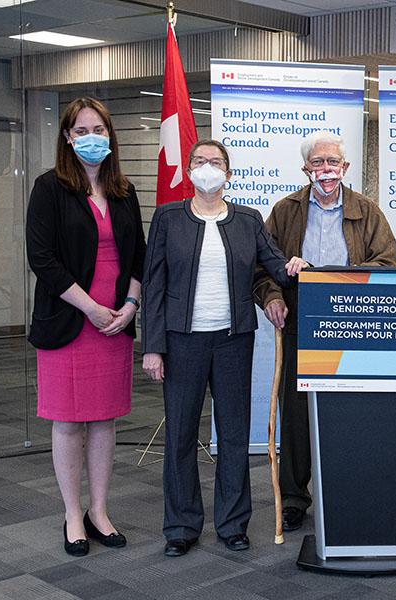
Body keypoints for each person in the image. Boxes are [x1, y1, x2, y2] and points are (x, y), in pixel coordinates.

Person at [141, 140, 307, 557]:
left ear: (229, 174)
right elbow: (154, 284)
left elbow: (274, 266)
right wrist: (152, 347)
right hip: (181, 340)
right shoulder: (168, 217)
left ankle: (233, 524)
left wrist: (294, 266)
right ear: (189, 170)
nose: (207, 168)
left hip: (233, 340)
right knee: (180, 434)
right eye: (200, 161)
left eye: (216, 162)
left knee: (233, 434)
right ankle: (181, 526)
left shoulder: (247, 219)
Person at [252, 130, 396, 532]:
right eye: (318, 162)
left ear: (345, 167)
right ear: (306, 168)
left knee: (349, 413)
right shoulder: (285, 211)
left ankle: (344, 491)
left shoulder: (367, 211)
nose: (326, 169)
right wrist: (272, 297)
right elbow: (262, 266)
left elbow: (387, 264)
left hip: (352, 326)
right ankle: (294, 498)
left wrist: (340, 281)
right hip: (301, 320)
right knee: (297, 415)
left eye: (333, 162)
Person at [26, 97, 146, 557]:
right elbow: (42, 259)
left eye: (99, 130)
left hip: (114, 322)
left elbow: (139, 255)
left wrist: (130, 305)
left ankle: (99, 510)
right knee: (68, 421)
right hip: (69, 319)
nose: (91, 138)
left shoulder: (124, 190)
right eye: (81, 131)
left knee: (103, 419)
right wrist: (90, 308)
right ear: (67, 137)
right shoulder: (49, 188)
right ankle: (73, 514)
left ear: (110, 135)